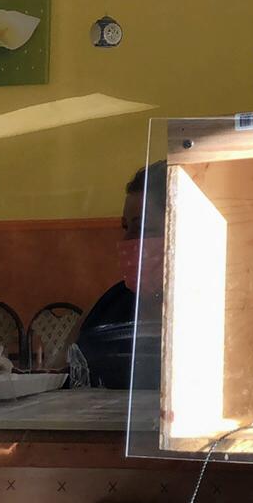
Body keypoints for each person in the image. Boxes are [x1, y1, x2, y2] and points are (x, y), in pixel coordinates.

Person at [73, 160, 166, 389]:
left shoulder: (212, 312)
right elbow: (63, 373)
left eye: (141, 228)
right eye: (126, 227)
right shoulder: (108, 305)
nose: (127, 240)